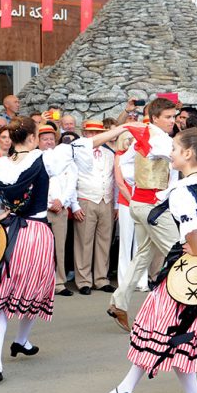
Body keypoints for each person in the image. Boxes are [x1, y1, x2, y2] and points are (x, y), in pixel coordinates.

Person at [0, 116, 128, 387]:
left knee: (0, 297)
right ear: (31, 138)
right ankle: (20, 340)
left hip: (7, 234)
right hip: (37, 234)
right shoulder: (45, 159)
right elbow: (86, 143)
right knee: (36, 290)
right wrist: (122, 128)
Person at [94, 110, 197, 393]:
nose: (170, 153)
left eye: (174, 149)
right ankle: (125, 389)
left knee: (173, 328)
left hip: (196, 268)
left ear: (188, 153)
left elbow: (192, 229)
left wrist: (195, 250)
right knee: (164, 326)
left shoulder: (181, 191)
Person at [108, 98, 179, 331]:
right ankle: (179, 307)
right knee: (178, 253)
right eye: (168, 117)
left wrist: (137, 186)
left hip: (140, 203)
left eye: (174, 116)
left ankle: (119, 302)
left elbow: (125, 165)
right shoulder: (160, 139)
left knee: (142, 256)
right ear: (155, 118)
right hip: (153, 206)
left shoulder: (143, 136)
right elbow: (177, 162)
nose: (172, 120)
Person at [74, 120, 116, 294]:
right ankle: (83, 280)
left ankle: (101, 278)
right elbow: (71, 178)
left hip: (106, 200)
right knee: (84, 241)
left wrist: (117, 205)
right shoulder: (77, 151)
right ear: (84, 133)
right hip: (86, 198)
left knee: (104, 241)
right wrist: (74, 205)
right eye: (89, 132)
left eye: (96, 132)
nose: (93, 136)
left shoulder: (109, 154)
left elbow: (115, 179)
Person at [38, 124, 79, 296]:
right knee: (42, 249)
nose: (48, 142)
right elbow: (37, 185)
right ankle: (41, 284)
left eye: (51, 139)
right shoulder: (35, 158)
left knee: (59, 247)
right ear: (38, 141)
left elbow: (72, 183)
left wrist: (61, 201)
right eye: (44, 139)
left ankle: (59, 282)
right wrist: (49, 203)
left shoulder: (66, 160)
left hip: (61, 208)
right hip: (42, 209)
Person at [114, 131, 148, 291]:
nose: (131, 142)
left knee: (141, 243)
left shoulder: (143, 156)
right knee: (126, 242)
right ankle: (124, 281)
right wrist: (132, 200)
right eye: (128, 139)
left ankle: (141, 280)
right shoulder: (119, 156)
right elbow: (120, 183)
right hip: (126, 202)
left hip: (142, 201)